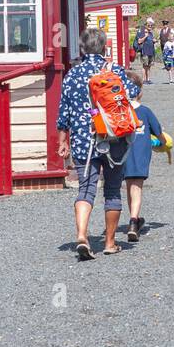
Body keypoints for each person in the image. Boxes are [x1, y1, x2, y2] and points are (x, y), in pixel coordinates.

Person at [56, 27, 140, 260]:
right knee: (112, 190)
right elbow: (133, 92)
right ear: (104, 47)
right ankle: (110, 243)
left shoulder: (72, 75)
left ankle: (82, 236)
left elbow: (64, 112)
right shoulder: (113, 70)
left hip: (83, 140)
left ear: (82, 48)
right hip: (113, 139)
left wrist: (63, 141)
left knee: (86, 188)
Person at [122, 67, 164, 242]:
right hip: (141, 154)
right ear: (139, 92)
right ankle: (134, 221)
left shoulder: (121, 111)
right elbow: (158, 132)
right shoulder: (145, 111)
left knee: (129, 186)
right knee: (137, 188)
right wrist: (163, 143)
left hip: (123, 154)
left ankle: (134, 217)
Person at [135, 17, 156, 84]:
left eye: (151, 25)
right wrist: (145, 36)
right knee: (144, 66)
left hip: (151, 51)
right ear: (146, 25)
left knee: (149, 66)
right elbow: (139, 41)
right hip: (144, 51)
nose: (150, 26)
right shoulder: (142, 32)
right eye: (149, 25)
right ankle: (143, 80)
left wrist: (154, 41)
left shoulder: (151, 33)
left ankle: (148, 79)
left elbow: (151, 41)